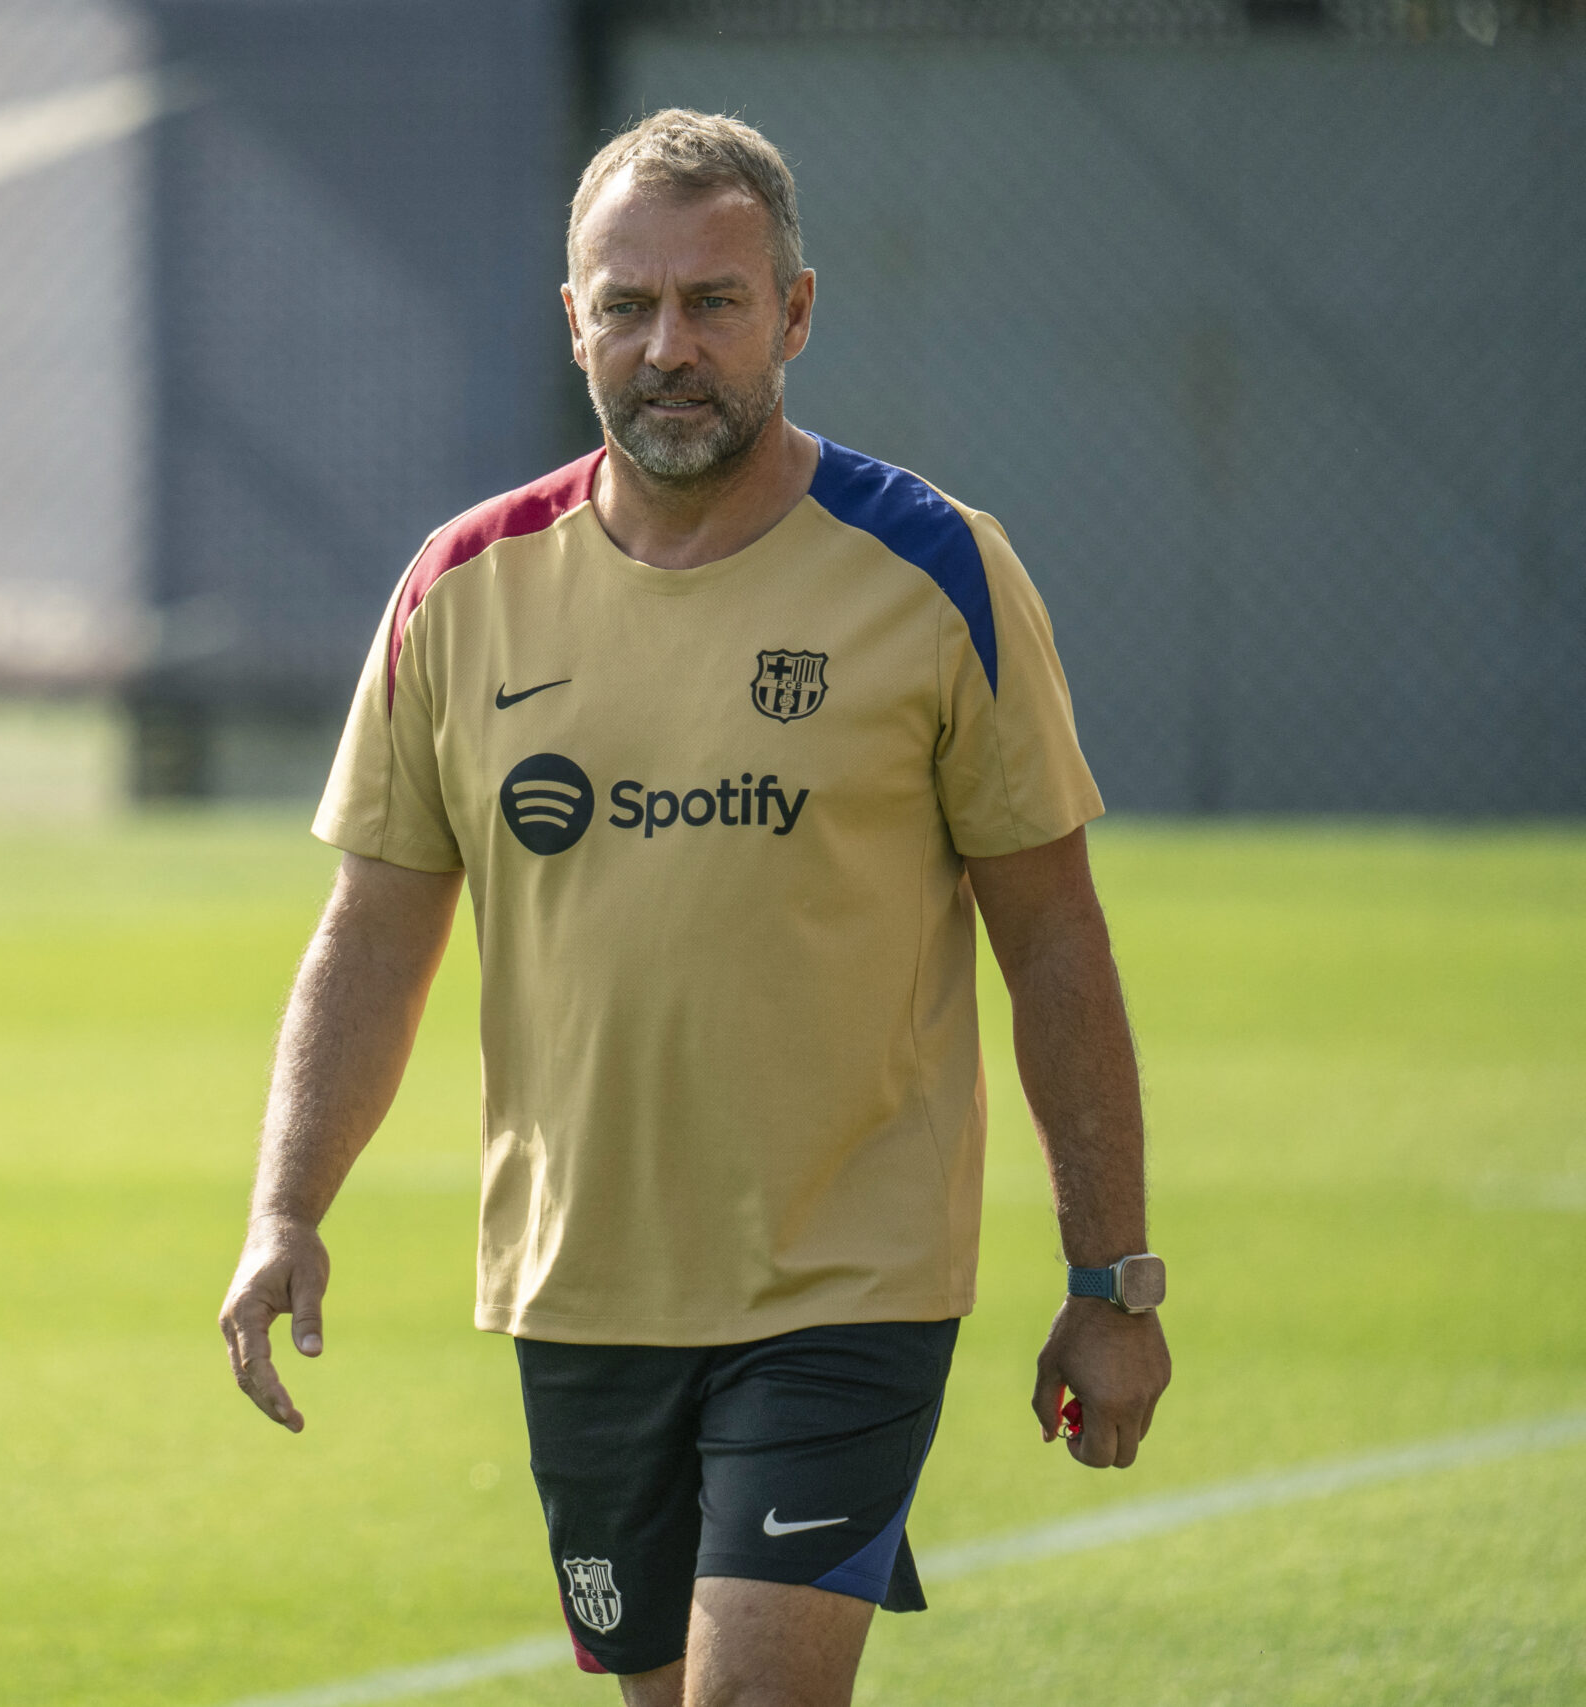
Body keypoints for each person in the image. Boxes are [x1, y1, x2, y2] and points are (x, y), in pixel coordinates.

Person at [216, 108, 1171, 1707]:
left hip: (841, 1280)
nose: (671, 346)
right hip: (579, 1286)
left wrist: (1110, 1281)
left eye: (715, 303)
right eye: (628, 305)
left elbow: (1055, 940)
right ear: (572, 318)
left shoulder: (936, 571)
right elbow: (372, 936)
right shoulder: (461, 588)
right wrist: (283, 1209)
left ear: (795, 313)